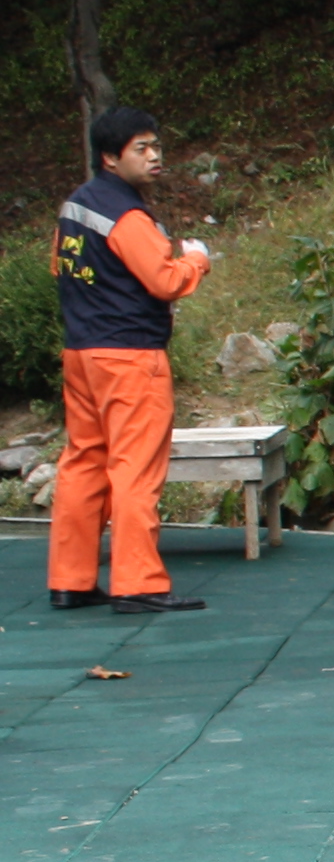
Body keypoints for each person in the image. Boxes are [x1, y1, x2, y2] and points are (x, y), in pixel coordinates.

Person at [46, 105, 210, 615]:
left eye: (156, 146)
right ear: (111, 158)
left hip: (82, 354)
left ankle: (70, 580)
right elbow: (165, 281)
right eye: (142, 148)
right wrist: (196, 259)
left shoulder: (75, 206)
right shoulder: (128, 215)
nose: (155, 155)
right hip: (131, 358)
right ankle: (137, 583)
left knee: (83, 464)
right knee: (135, 469)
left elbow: (60, 268)